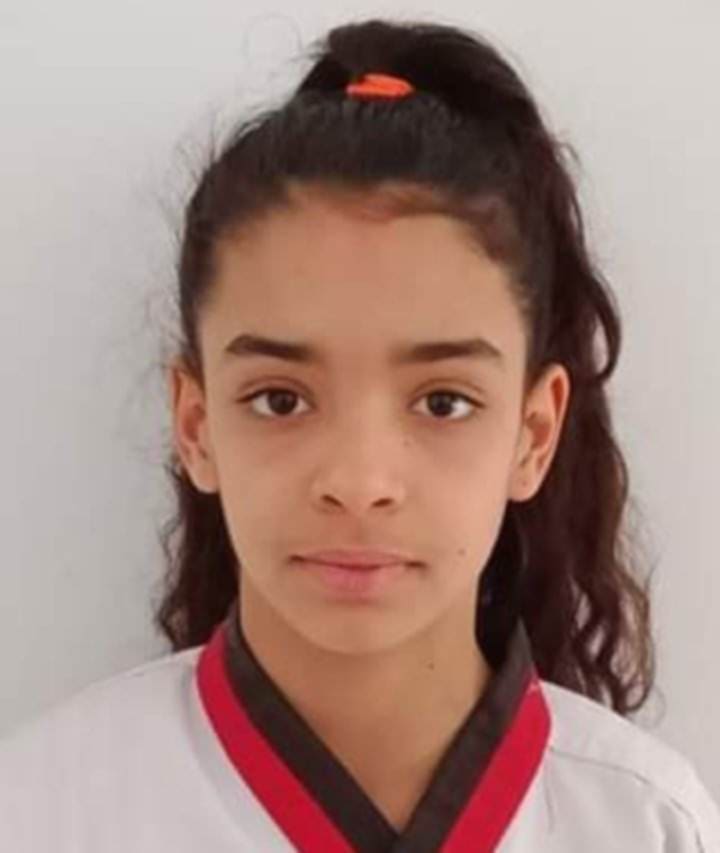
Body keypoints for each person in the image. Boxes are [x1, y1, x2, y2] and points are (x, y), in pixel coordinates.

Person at [1, 16, 719, 853]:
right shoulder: (45, 810)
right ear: (195, 424)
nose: (358, 480)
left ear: (533, 434)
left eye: (442, 402)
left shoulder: (645, 822)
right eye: (280, 399)